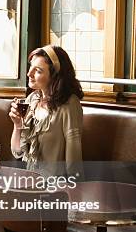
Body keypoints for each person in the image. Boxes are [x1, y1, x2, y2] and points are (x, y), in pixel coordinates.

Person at [9, 45, 83, 178]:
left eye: (37, 71)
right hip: (29, 182)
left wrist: (74, 192)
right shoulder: (32, 100)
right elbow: (17, 152)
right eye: (30, 67)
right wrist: (17, 125)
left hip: (55, 187)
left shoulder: (69, 104)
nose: (29, 74)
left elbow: (74, 160)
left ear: (55, 75)